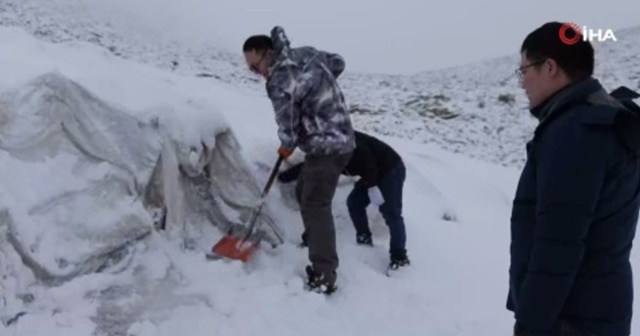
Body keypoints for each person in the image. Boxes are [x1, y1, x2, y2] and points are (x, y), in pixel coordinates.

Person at [508, 21, 640, 336]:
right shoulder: (606, 119)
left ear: (550, 67)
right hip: (600, 309)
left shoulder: (574, 132)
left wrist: (530, 325)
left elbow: (558, 245)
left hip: (569, 318)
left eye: (524, 70)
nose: (522, 82)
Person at [242, 26, 355, 294]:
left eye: (255, 66)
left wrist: (286, 145)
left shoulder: (279, 79)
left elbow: (289, 128)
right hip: (344, 138)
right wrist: (319, 92)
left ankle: (324, 276)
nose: (257, 74)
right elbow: (338, 62)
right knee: (306, 189)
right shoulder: (307, 54)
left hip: (324, 147)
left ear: (267, 53)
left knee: (316, 205)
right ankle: (313, 238)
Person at [278, 130, 410, 270]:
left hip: (390, 168)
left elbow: (366, 157)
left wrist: (372, 187)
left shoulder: (341, 137)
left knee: (391, 212)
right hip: (371, 173)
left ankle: (399, 257)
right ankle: (364, 238)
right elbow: (308, 166)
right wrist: (283, 177)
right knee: (354, 203)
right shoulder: (325, 151)